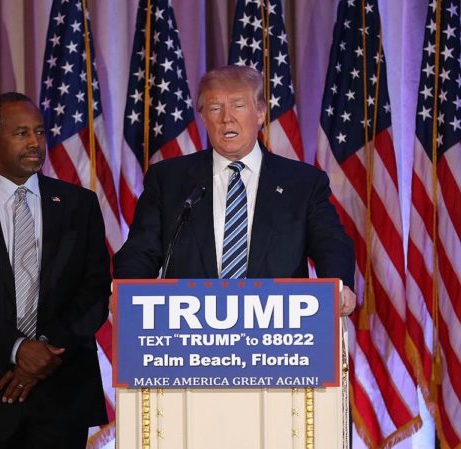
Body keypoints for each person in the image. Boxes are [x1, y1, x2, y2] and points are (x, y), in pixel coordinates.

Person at [0, 92, 110, 449]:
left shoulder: (80, 205)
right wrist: (16, 349)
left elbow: (94, 291)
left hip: (62, 393)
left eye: (40, 132)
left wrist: (42, 351)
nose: (34, 143)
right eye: (21, 133)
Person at [114, 65, 356, 313]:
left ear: (260, 113)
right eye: (215, 108)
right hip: (189, 335)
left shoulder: (303, 182)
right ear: (204, 117)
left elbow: (331, 243)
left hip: (278, 332)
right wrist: (124, 291)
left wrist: (339, 284)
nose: (226, 117)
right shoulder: (168, 180)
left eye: (238, 106)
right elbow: (141, 252)